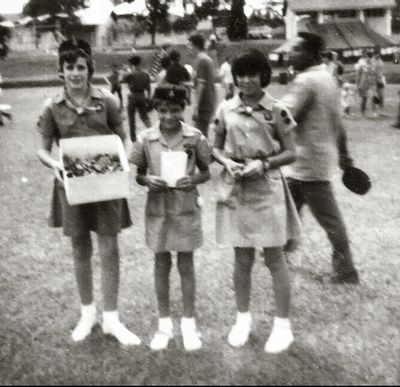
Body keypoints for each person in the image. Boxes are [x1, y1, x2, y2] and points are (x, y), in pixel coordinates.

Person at [36, 38, 141, 346]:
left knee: (109, 249)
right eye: (69, 67)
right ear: (61, 72)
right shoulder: (52, 107)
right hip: (72, 186)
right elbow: (42, 150)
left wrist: (123, 162)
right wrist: (54, 163)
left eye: (81, 67)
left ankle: (112, 319)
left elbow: (124, 138)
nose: (75, 73)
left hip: (106, 184)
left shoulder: (107, 100)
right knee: (81, 250)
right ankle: (87, 315)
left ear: (89, 69)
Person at [212, 49, 301, 353]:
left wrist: (263, 165)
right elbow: (216, 148)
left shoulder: (276, 109)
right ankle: (242, 320)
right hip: (237, 188)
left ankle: (282, 326)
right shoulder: (225, 109)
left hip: (267, 188)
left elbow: (291, 152)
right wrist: (227, 163)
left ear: (264, 75)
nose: (246, 80)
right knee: (242, 259)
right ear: (234, 76)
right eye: (241, 74)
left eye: (252, 73)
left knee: (275, 258)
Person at [131, 85, 212, 351]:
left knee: (186, 264)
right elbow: (139, 173)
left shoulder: (195, 137)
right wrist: (146, 179)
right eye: (163, 110)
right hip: (159, 208)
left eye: (175, 110)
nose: (168, 116)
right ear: (155, 109)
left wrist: (194, 179)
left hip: (185, 206)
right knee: (161, 263)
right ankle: (164, 324)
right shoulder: (145, 138)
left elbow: (206, 172)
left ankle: (189, 324)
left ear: (183, 109)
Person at [281, 32, 360, 284]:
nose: (289, 54)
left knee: (330, 220)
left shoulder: (305, 81)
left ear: (310, 53)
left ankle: (346, 271)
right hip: (313, 161)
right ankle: (279, 254)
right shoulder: (328, 78)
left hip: (305, 164)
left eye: (295, 50)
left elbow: (285, 118)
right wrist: (344, 155)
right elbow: (339, 124)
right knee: (286, 209)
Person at [189, 33, 217, 138]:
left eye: (189, 45)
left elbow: (201, 85)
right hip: (208, 102)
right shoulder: (207, 60)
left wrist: (195, 107)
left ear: (194, 45)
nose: (188, 48)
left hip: (203, 104)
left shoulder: (201, 61)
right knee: (202, 133)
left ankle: (206, 154)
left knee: (200, 135)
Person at [120, 54, 152, 142]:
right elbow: (148, 88)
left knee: (132, 119)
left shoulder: (130, 74)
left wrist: (125, 70)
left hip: (133, 96)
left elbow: (120, 80)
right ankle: (153, 131)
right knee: (144, 117)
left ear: (132, 64)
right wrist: (148, 98)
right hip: (142, 96)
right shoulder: (146, 74)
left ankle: (133, 139)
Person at [356, 51, 377, 117]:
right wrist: (357, 84)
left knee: (373, 97)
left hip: (371, 83)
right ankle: (363, 112)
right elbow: (358, 74)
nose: (369, 58)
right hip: (364, 83)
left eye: (370, 57)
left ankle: (373, 112)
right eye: (368, 57)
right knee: (364, 98)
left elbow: (374, 74)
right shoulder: (362, 64)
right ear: (366, 57)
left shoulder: (373, 64)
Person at [372, 46, 386, 116]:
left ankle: (381, 111)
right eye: (378, 53)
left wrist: (383, 78)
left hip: (380, 80)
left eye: (379, 53)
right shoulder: (372, 61)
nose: (379, 55)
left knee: (382, 96)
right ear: (375, 54)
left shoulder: (381, 61)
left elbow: (382, 71)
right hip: (374, 81)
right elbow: (372, 71)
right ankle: (374, 112)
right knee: (375, 97)